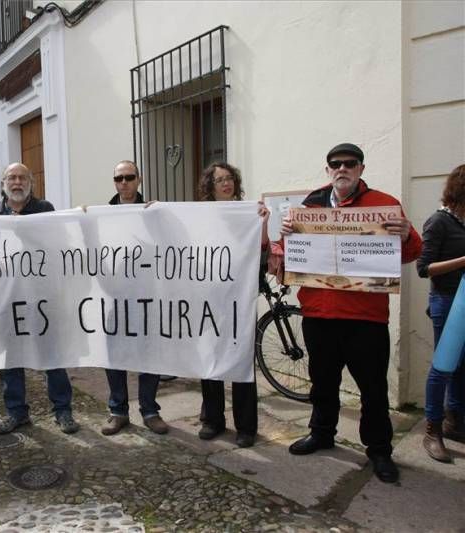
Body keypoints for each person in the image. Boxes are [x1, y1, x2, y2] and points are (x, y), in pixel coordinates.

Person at [281, 143, 422, 483]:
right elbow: (292, 253)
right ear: (327, 169)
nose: (341, 169)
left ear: (360, 169)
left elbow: (413, 251)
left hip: (365, 318)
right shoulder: (311, 204)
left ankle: (379, 450)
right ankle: (322, 432)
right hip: (319, 314)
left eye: (349, 164)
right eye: (335, 164)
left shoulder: (384, 205)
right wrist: (285, 236)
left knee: (372, 389)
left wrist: (404, 235)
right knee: (323, 382)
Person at [0, 162, 80, 435]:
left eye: (22, 178)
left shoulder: (45, 210)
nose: (17, 182)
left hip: (42, 298)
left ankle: (63, 411)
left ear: (31, 182)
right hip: (9, 299)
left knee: (52, 357)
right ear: (4, 183)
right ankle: (17, 413)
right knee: (11, 361)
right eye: (12, 178)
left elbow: (58, 246)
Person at [196, 162, 269, 448]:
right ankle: (212, 419)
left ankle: (246, 427)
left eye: (229, 179)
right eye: (219, 180)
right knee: (210, 361)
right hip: (210, 299)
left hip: (239, 299)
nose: (226, 184)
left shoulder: (250, 212)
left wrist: (262, 223)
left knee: (240, 363)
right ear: (210, 187)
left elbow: (262, 250)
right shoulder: (202, 216)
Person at [101, 160, 168, 436]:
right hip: (114, 295)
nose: (124, 182)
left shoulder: (152, 212)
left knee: (149, 353)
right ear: (114, 182)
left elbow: (169, 242)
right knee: (114, 354)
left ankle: (149, 410)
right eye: (119, 178)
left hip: (146, 294)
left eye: (129, 177)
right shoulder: (102, 215)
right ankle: (118, 411)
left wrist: (162, 216)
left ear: (139, 179)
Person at [416, 164, 465, 463]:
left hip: (463, 299)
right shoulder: (439, 221)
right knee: (444, 365)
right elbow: (424, 268)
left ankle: (455, 421)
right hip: (447, 300)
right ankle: (433, 431)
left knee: (462, 365)